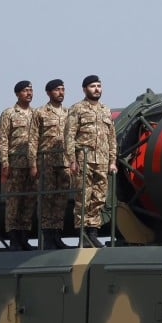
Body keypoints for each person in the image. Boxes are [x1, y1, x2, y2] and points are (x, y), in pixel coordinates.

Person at [64, 75, 118, 248]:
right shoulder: (77, 109)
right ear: (85, 89)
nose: (97, 89)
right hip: (83, 160)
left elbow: (112, 138)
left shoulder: (105, 110)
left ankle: (93, 232)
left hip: (102, 161)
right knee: (83, 198)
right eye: (93, 86)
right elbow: (69, 136)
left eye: (99, 86)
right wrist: (72, 160)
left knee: (99, 197)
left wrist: (112, 160)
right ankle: (83, 235)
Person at [28, 79, 71, 250]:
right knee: (46, 199)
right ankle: (47, 237)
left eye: (62, 89)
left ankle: (57, 235)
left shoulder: (69, 113)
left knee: (61, 199)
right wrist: (32, 164)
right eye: (57, 90)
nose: (60, 92)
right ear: (48, 93)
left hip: (64, 162)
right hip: (46, 162)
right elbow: (32, 140)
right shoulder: (40, 113)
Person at [0, 80, 35, 251]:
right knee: (14, 202)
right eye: (26, 90)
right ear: (18, 94)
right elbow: (3, 140)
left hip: (31, 164)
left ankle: (24, 237)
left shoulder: (36, 114)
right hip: (15, 164)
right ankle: (14, 239)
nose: (29, 93)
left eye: (31, 90)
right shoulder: (9, 114)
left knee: (28, 201)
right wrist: (5, 163)